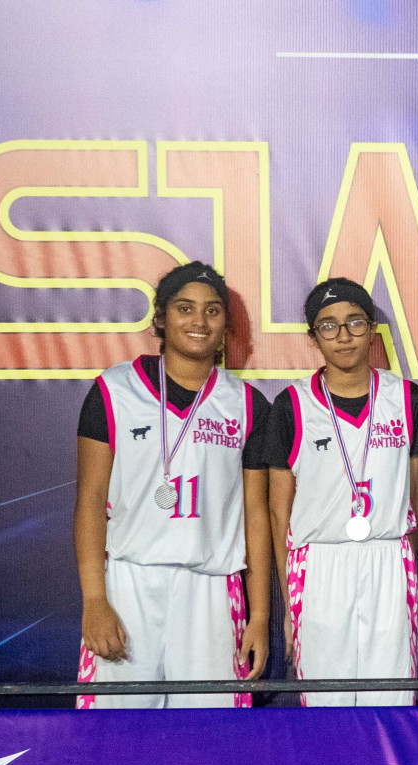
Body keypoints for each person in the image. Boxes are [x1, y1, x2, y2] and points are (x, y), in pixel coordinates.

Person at [74, 262, 271, 706]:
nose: (199, 321)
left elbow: (256, 516)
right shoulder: (114, 390)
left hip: (212, 590)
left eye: (213, 311)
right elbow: (89, 500)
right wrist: (94, 600)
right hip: (129, 584)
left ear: (225, 327)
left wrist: (258, 615)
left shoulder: (246, 403)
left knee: (211, 740)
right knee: (118, 738)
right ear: (161, 318)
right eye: (185, 308)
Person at [265, 278, 418, 705]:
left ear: (372, 329)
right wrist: (289, 601)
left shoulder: (406, 399)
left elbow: (417, 499)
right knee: (325, 703)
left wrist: (401, 559)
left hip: (387, 558)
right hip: (318, 563)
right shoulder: (292, 405)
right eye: (329, 325)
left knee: (390, 702)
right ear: (313, 336)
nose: (343, 336)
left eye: (355, 322)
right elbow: (280, 516)